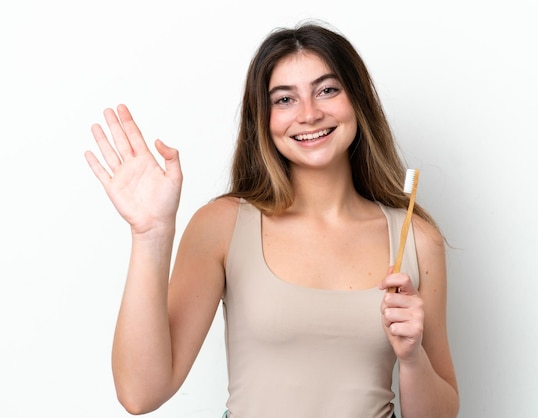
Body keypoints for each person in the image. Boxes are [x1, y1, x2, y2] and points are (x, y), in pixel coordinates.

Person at [85, 21, 459, 418]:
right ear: (262, 117)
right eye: (284, 100)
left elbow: (440, 412)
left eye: (327, 90)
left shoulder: (416, 239)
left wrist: (414, 357)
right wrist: (151, 234)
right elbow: (140, 394)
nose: (310, 114)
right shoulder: (222, 226)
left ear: (359, 100)